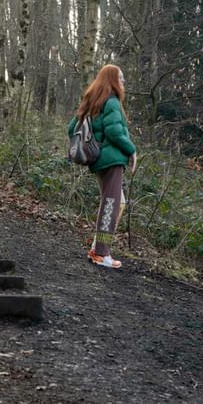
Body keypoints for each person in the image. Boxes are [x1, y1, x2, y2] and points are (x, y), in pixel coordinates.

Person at [68, 64, 137, 269]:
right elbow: (115, 132)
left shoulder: (92, 101)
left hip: (98, 161)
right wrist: (131, 150)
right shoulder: (112, 102)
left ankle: (98, 247)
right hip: (112, 160)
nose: (123, 81)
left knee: (118, 202)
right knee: (111, 204)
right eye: (121, 77)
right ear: (112, 80)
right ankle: (101, 254)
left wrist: (93, 144)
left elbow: (71, 128)